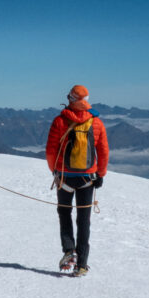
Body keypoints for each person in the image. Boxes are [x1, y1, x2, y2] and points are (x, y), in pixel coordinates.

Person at [45, 84, 108, 276]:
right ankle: (82, 264)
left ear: (71, 98)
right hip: (87, 178)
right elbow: (103, 150)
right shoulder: (96, 122)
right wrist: (101, 174)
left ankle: (69, 250)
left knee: (64, 214)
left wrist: (55, 171)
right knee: (83, 220)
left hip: (64, 177)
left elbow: (50, 150)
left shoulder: (60, 120)